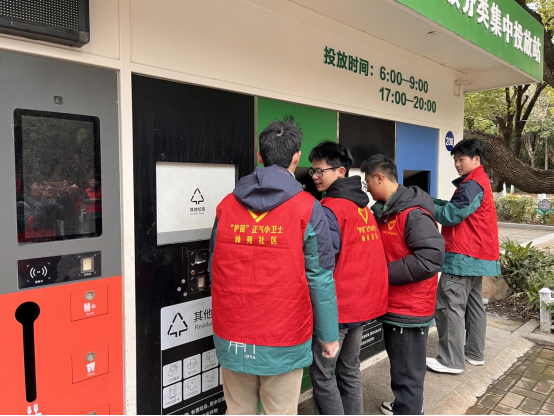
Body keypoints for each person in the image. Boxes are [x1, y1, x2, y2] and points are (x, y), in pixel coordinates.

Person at [209, 118, 340, 416]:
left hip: (233, 331)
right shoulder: (308, 207)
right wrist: (328, 335)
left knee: (238, 410)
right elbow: (320, 277)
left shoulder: (226, 205)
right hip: (284, 334)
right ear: (296, 157)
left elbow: (215, 265)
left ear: (260, 155)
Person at [308, 141, 388, 416]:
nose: (315, 176)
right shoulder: (362, 207)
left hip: (339, 309)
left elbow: (322, 263)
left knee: (322, 374)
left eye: (320, 171)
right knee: (350, 368)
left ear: (341, 171)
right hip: (362, 306)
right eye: (313, 171)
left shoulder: (330, 209)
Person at [362, 155, 445, 416]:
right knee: (401, 367)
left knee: (407, 371)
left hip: (409, 309)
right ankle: (405, 406)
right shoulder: (389, 212)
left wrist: (381, 274)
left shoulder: (413, 215)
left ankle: (408, 409)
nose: (368, 189)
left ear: (380, 178)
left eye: (368, 182)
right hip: (397, 304)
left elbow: (430, 258)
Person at [426, 139, 500, 375]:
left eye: (461, 159)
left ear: (476, 159)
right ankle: (474, 353)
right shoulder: (479, 180)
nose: (457, 164)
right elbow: (454, 207)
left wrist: (423, 204)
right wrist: (429, 201)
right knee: (474, 305)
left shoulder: (471, 184)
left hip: (464, 255)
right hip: (478, 255)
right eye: (455, 160)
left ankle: (451, 360)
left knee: (449, 305)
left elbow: (451, 214)